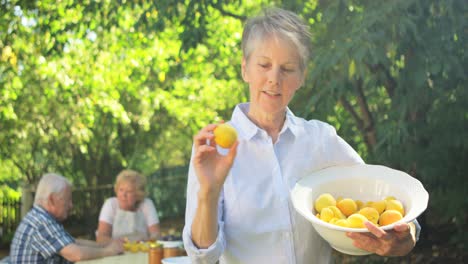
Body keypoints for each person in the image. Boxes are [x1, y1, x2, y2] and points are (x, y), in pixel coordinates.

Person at [182, 7, 420, 264]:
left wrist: (403, 238)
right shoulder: (215, 150)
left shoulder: (321, 140)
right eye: (264, 65)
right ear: (245, 68)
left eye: (287, 68)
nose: (274, 78)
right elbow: (203, 257)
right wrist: (209, 192)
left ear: (302, 77)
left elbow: (382, 206)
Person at [10, 173, 124, 263]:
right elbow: (76, 254)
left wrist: (105, 245)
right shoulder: (41, 222)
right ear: (51, 200)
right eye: (67, 199)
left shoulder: (41, 217)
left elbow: (73, 243)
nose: (71, 205)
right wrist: (108, 251)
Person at [96, 169, 161, 243]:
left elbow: (157, 234)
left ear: (138, 195)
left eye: (129, 191)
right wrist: (123, 244)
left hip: (142, 250)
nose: (123, 195)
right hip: (116, 251)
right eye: (121, 190)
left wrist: (147, 240)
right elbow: (101, 238)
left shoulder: (147, 204)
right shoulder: (110, 204)